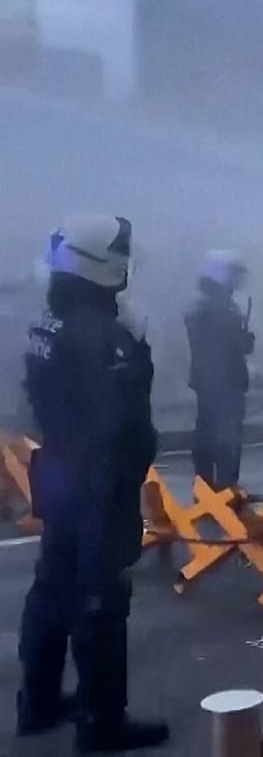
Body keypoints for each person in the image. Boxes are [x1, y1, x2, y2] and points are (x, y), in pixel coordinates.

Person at [17, 215, 170, 751]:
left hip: (59, 470)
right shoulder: (103, 335)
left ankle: (36, 703)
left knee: (51, 588)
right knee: (100, 600)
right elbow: (122, 416)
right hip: (97, 483)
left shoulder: (50, 319)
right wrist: (138, 346)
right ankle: (101, 721)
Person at [184, 250, 254, 492]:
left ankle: (210, 487)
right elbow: (218, 341)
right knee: (223, 435)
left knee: (211, 433)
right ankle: (223, 488)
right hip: (220, 380)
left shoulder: (214, 304)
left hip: (215, 379)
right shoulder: (209, 307)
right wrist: (240, 336)